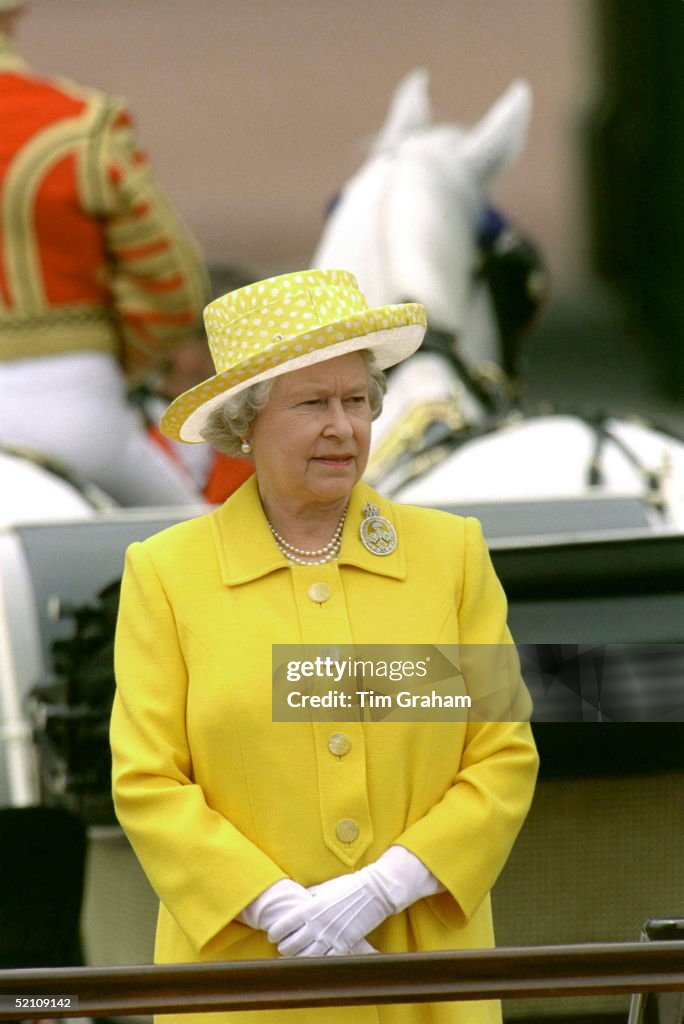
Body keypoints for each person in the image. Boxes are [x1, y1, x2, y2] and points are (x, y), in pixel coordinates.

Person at [110, 268, 539, 1024]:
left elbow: (501, 754)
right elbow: (148, 783)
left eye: (357, 401)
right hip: (245, 985)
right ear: (246, 423)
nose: (343, 427)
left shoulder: (452, 556)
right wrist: (277, 909)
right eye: (312, 404)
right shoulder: (168, 574)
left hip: (422, 979)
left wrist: (387, 886)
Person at [0, 0, 209, 505]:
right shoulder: (81, 124)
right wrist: (125, 364)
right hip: (72, 408)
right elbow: (174, 286)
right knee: (203, 546)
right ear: (12, 19)